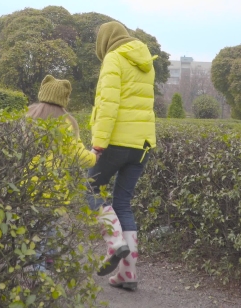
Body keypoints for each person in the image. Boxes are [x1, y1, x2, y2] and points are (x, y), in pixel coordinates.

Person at [88, 21, 156, 291]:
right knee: (123, 202)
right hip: (142, 145)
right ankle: (128, 274)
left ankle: (114, 242)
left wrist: (98, 144)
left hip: (116, 141)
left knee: (88, 187)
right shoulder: (145, 62)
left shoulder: (114, 58)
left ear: (105, 41)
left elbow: (108, 104)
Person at [25, 75, 96, 271]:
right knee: (52, 230)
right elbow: (79, 156)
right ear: (64, 99)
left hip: (27, 191)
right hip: (55, 194)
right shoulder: (67, 122)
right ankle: (46, 271)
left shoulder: (29, 116)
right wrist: (94, 156)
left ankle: (36, 273)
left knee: (34, 238)